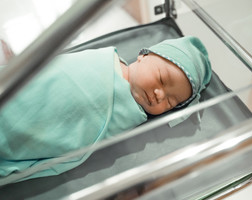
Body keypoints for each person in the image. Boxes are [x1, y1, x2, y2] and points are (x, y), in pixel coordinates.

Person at [0, 36, 212, 180]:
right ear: (143, 56)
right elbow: (56, 73)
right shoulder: (101, 62)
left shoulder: (131, 117)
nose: (160, 94)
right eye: (161, 79)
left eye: (171, 102)